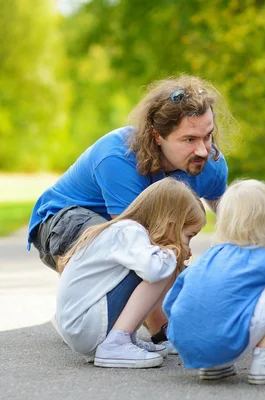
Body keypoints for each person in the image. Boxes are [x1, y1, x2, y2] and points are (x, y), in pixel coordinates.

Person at [27, 75, 232, 352]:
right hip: (61, 222)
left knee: (164, 250)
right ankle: (101, 328)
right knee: (147, 253)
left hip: (114, 232)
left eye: (207, 135)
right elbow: (140, 251)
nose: (202, 149)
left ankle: (89, 314)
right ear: (157, 136)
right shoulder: (119, 157)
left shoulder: (208, 160)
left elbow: (236, 227)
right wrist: (166, 332)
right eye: (189, 139)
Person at [163, 179, 265, 385]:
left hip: (185, 344)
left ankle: (214, 366)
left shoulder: (209, 256)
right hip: (227, 340)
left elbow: (171, 300)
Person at [55, 178, 205, 368]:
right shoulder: (128, 230)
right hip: (84, 325)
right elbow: (153, 271)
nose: (188, 245)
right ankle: (116, 343)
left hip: (85, 326)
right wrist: (173, 252)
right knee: (162, 267)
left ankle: (124, 337)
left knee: (165, 264)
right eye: (189, 236)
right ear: (170, 224)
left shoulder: (131, 233)